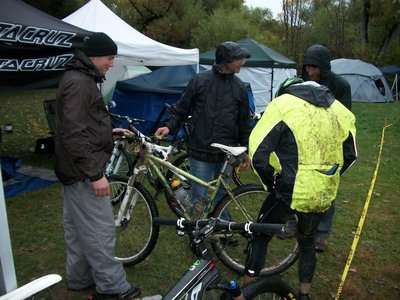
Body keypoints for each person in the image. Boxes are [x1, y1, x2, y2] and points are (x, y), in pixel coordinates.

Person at [243, 77, 357, 300]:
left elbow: (257, 152)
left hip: (289, 188)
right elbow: (350, 155)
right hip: (322, 191)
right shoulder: (341, 110)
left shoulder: (282, 104)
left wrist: (270, 182)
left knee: (260, 234)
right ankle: (304, 294)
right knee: (307, 242)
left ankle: (247, 286)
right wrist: (330, 177)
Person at [54, 32, 140, 300]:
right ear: (93, 57)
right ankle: (113, 288)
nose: (112, 63)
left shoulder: (79, 78)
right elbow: (74, 134)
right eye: (109, 57)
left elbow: (80, 124)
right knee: (100, 230)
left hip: (72, 171)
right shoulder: (80, 83)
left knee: (77, 230)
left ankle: (79, 279)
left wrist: (108, 132)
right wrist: (95, 174)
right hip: (83, 172)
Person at [154, 41, 252, 219]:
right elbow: (181, 108)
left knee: (223, 196)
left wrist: (245, 148)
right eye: (239, 59)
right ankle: (196, 234)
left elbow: (243, 121)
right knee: (199, 197)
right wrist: (168, 126)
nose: (242, 62)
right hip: (201, 150)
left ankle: (220, 232)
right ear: (226, 60)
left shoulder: (240, 87)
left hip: (226, 154)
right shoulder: (200, 81)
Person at [301, 44, 352, 251]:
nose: (309, 72)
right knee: (302, 186)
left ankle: (321, 234)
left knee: (326, 189)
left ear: (323, 66)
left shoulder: (341, 85)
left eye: (314, 67)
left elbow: (345, 117)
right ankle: (298, 224)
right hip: (307, 143)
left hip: (330, 145)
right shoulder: (304, 83)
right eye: (307, 67)